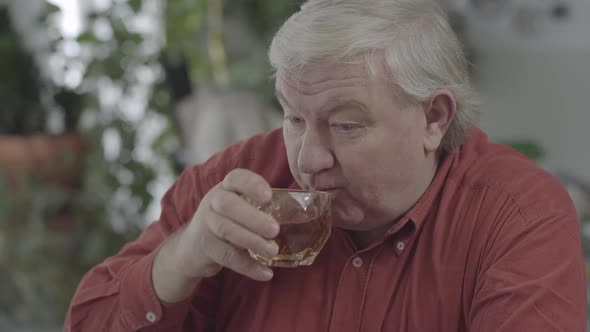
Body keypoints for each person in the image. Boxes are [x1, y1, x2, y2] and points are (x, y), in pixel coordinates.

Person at [64, 0, 587, 331]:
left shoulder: (518, 215)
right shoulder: (233, 184)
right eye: (294, 118)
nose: (308, 160)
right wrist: (180, 260)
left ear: (434, 117)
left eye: (347, 125)